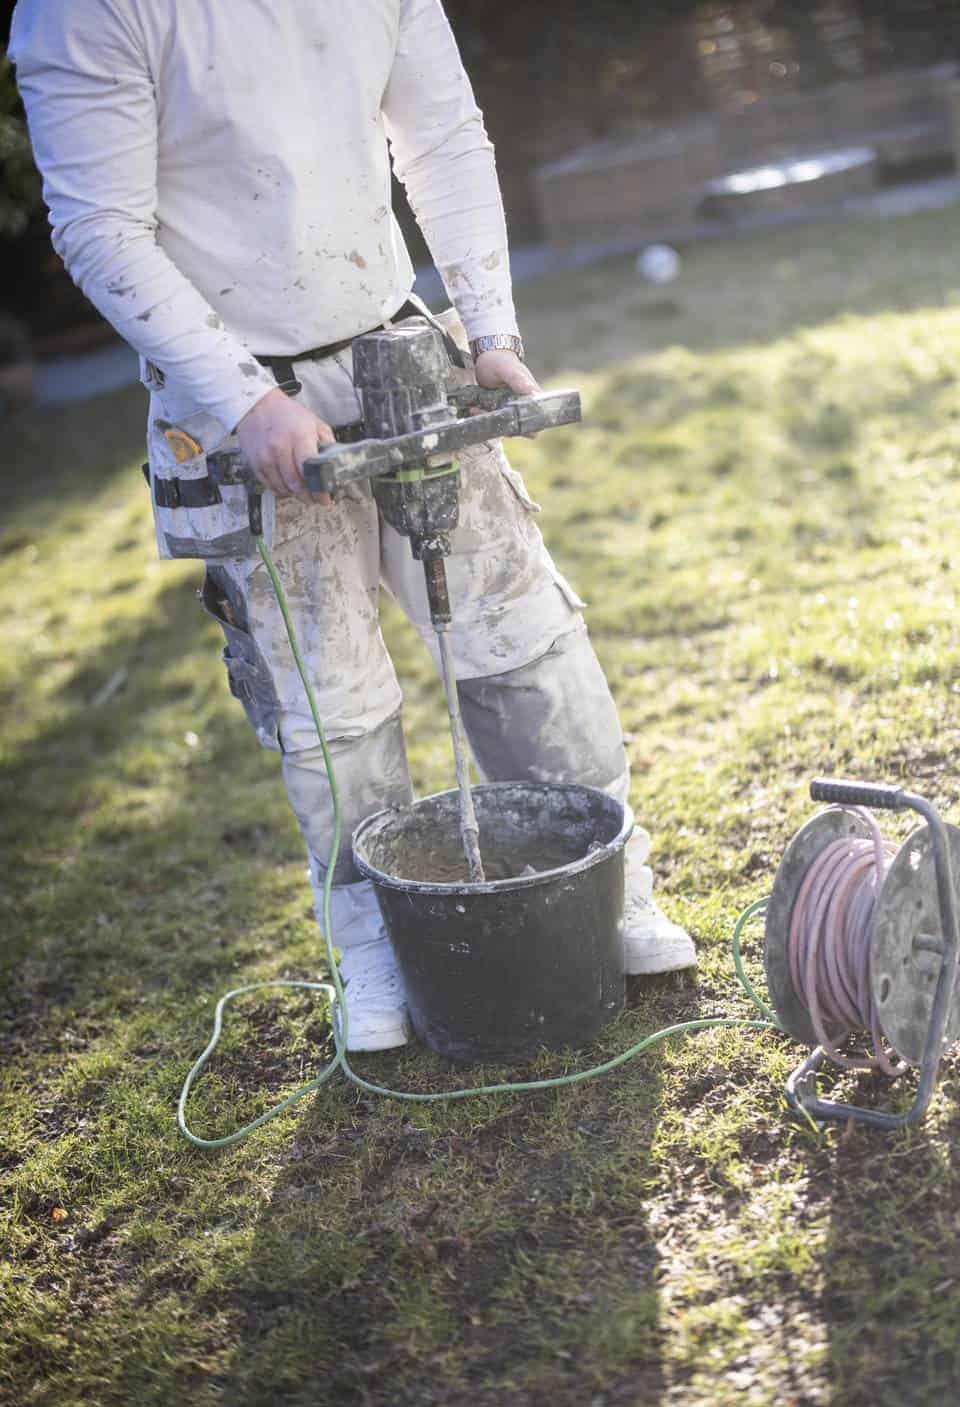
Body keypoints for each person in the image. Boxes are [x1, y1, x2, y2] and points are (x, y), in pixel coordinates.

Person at [10, 0, 696, 1050]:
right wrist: (246, 401)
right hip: (235, 391)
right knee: (329, 704)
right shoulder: (84, 11)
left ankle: (611, 883)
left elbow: (444, 138)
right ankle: (376, 943)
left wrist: (491, 329)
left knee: (523, 644)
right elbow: (99, 228)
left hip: (397, 345)